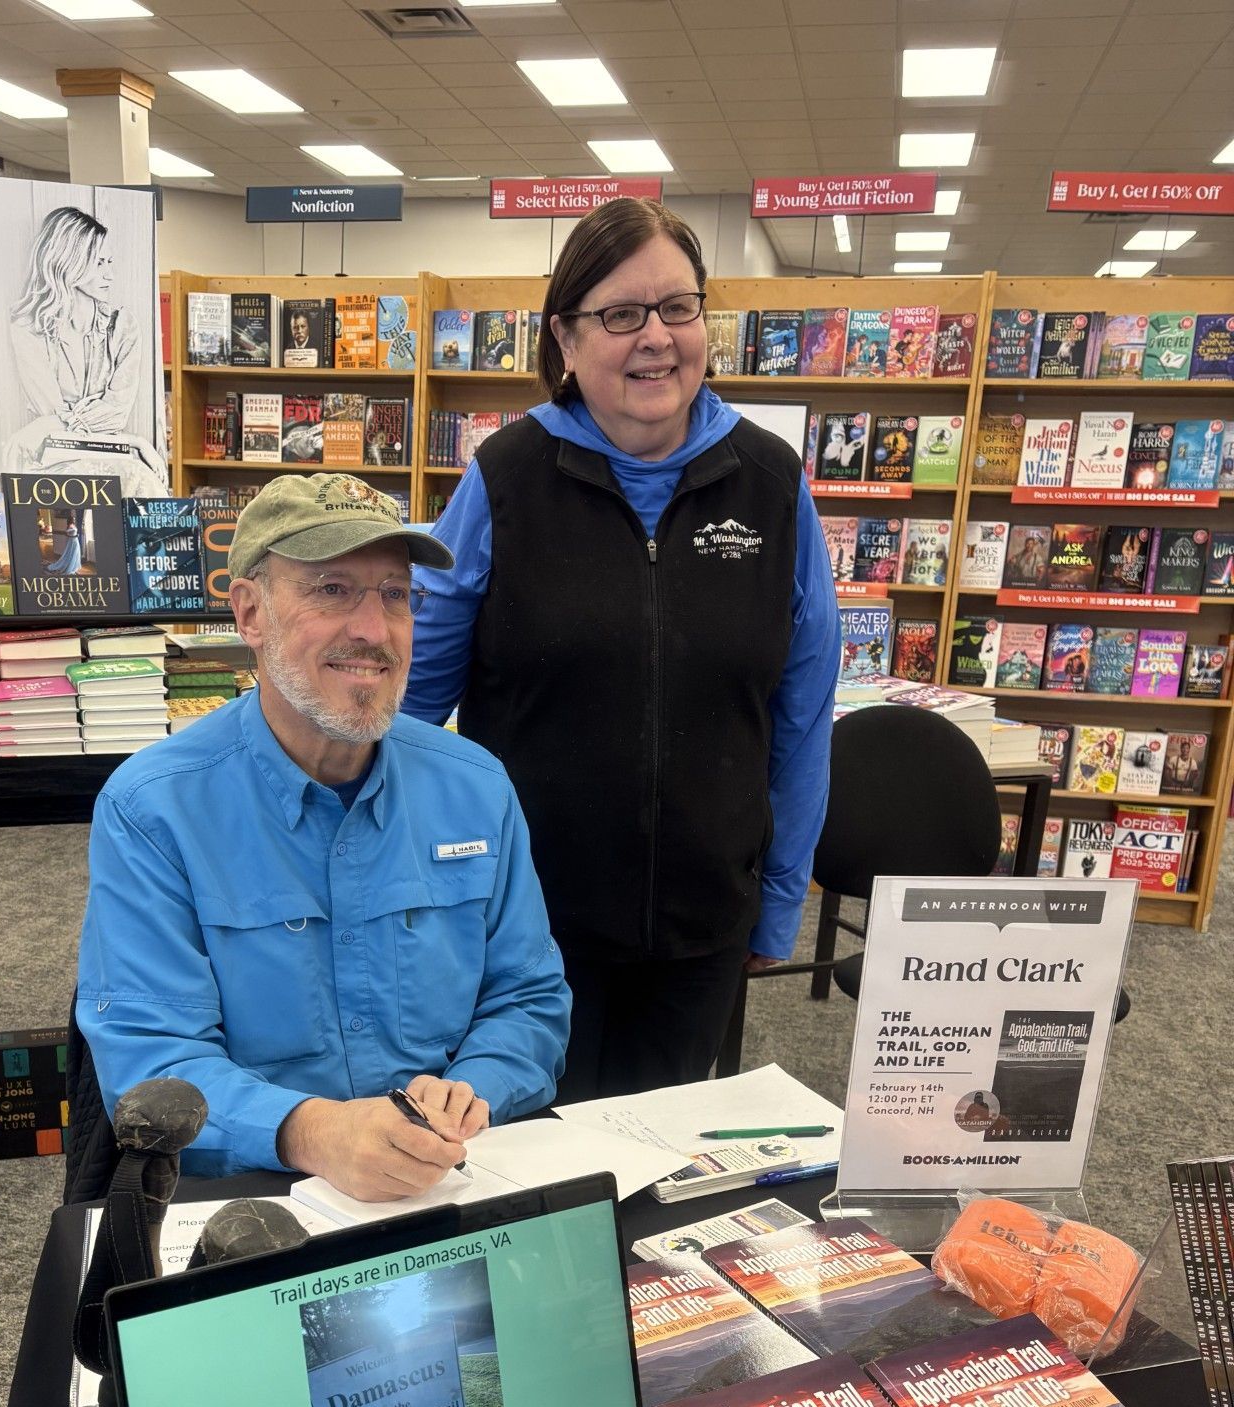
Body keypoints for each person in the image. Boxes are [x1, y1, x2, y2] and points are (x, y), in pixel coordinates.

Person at [405, 198, 840, 1099]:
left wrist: (779, 899)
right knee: (526, 1167)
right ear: (564, 338)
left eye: (678, 308)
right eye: (620, 314)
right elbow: (411, 707)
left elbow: (802, 712)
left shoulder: (771, 484)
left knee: (661, 1181)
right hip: (525, 925)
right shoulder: (504, 480)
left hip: (703, 927)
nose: (656, 337)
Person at [77, 473, 570, 1199]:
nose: (374, 629)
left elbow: (528, 999)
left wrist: (473, 1089)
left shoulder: (476, 787)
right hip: (254, 1192)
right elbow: (152, 1059)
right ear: (250, 613)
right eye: (333, 590)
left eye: (395, 594)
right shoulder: (155, 809)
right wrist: (313, 1131)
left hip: (450, 1174)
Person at [5, 204, 164, 495]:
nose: (109, 275)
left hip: (107, 456)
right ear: (69, 261)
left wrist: (66, 422)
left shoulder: (123, 325)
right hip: (51, 460)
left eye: (110, 262)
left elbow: (115, 415)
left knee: (142, 483)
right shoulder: (28, 327)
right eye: (99, 263)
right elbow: (53, 425)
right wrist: (134, 442)